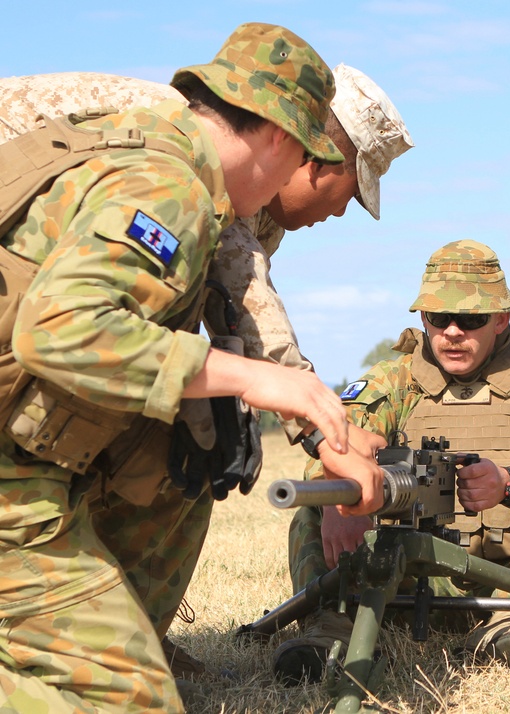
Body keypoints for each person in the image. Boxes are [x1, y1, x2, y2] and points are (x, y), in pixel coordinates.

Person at [0, 22, 384, 713]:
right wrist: (253, 380)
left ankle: (120, 628)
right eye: (305, 154)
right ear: (279, 139)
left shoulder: (160, 151)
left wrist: (322, 431)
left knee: (194, 438)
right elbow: (58, 327)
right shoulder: (167, 181)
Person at [274, 239, 510, 684]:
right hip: (407, 577)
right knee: (314, 505)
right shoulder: (394, 380)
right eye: (437, 318)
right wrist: (338, 499)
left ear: (501, 318)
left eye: (470, 319)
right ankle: (333, 626)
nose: (452, 332)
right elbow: (335, 439)